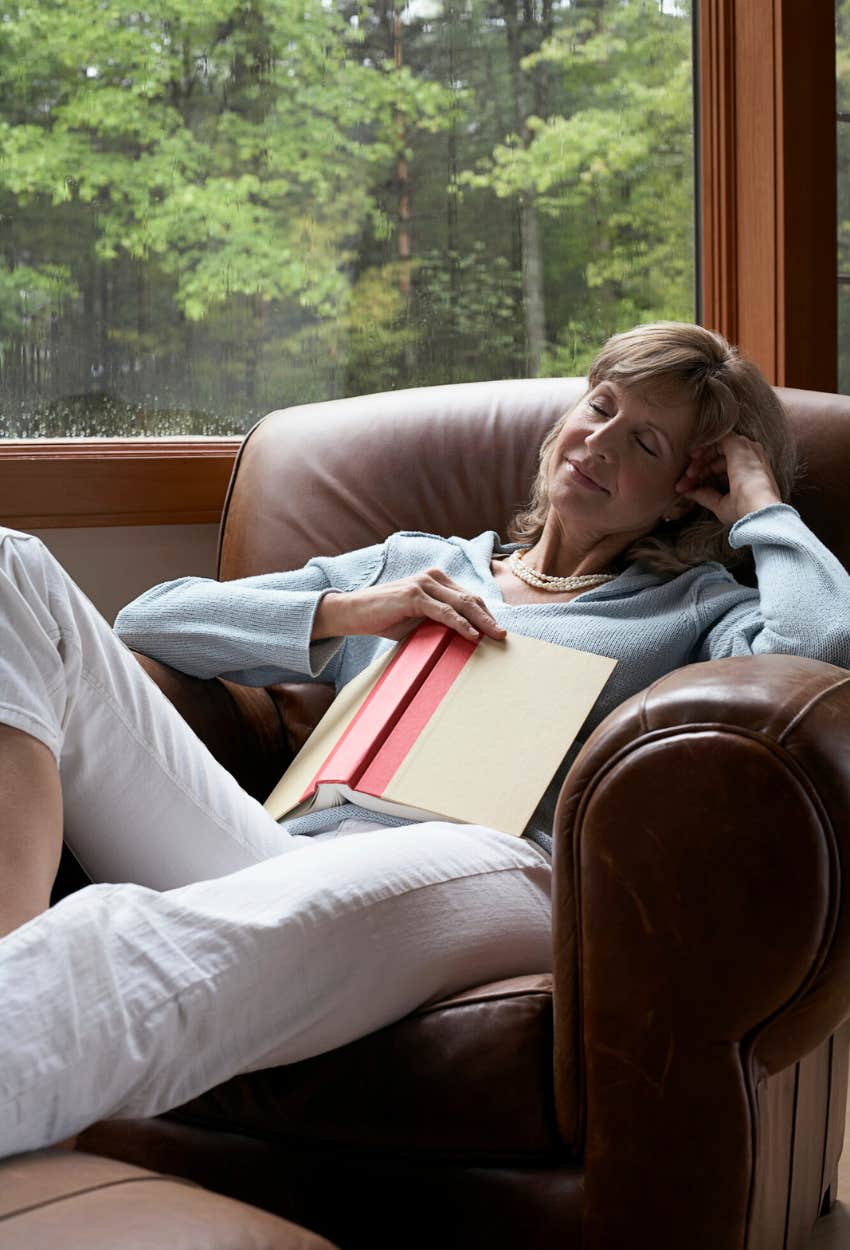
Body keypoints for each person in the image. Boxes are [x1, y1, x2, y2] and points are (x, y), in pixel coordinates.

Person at [2, 320, 849, 1159]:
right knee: (14, 569)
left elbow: (820, 648)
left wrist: (760, 501)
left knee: (148, 931)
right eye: (598, 407)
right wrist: (353, 610)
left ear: (681, 494)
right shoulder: (423, 564)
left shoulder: (691, 607)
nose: (598, 442)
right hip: (279, 851)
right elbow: (150, 621)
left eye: (645, 442)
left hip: (491, 866)